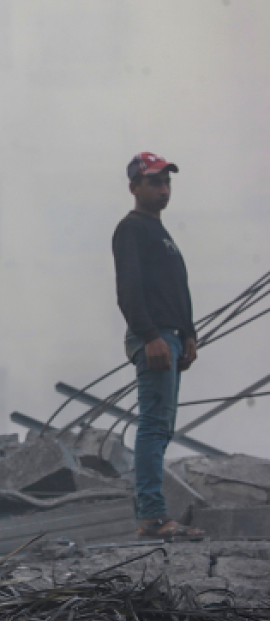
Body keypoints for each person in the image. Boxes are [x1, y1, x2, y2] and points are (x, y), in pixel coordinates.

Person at [112, 152, 205, 539]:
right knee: (153, 425)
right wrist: (151, 336)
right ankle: (152, 518)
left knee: (162, 425)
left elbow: (174, 290)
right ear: (135, 187)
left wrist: (189, 332)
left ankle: (154, 514)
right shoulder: (131, 229)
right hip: (153, 336)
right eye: (154, 182)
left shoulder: (161, 233)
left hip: (170, 335)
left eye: (167, 182)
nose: (163, 189)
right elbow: (129, 292)